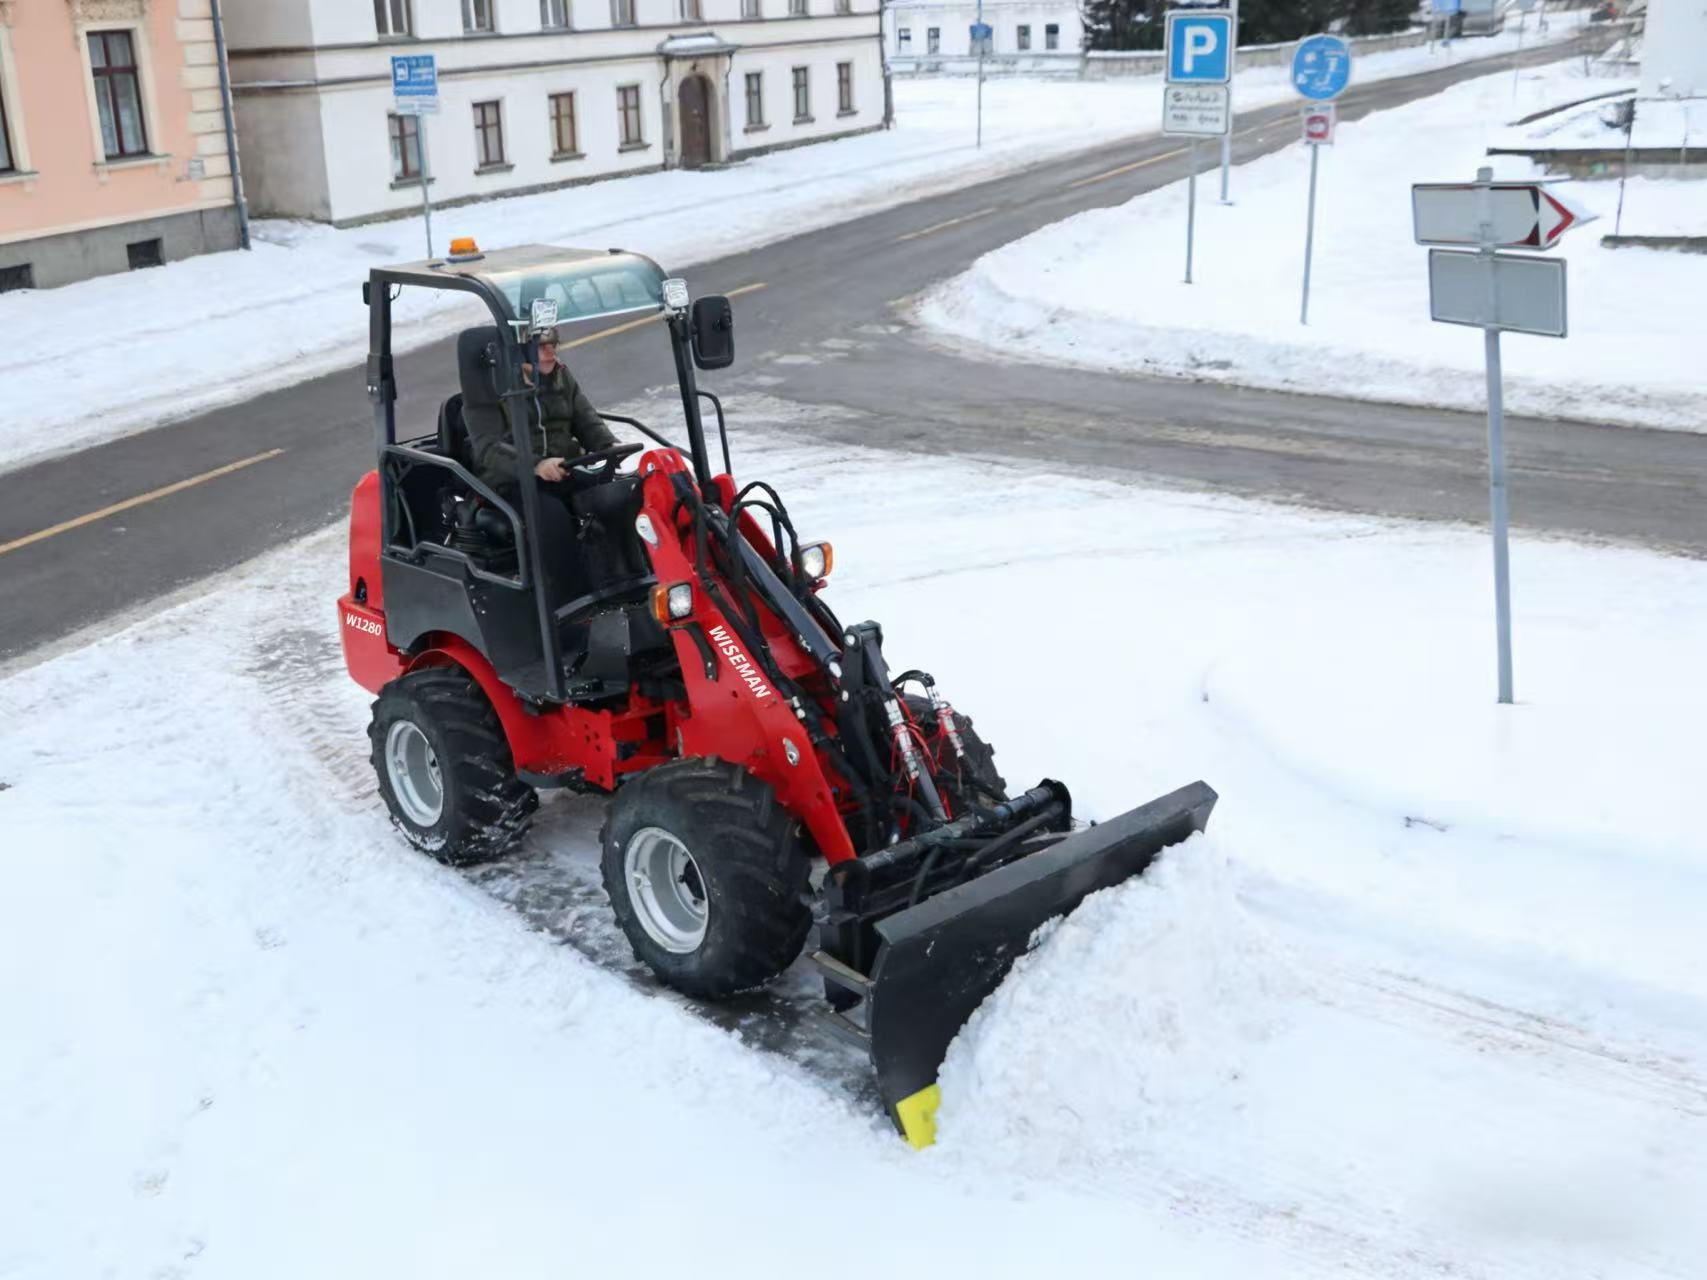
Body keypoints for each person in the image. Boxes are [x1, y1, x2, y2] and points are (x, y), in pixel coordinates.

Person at [469, 326, 619, 609]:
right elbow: (487, 448)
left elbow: (585, 419)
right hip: (510, 480)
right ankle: (571, 606)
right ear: (519, 349)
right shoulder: (490, 390)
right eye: (542, 345)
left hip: (563, 469)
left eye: (554, 344)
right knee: (553, 518)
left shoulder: (562, 376)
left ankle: (626, 584)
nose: (551, 352)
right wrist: (535, 465)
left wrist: (607, 444)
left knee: (618, 499)